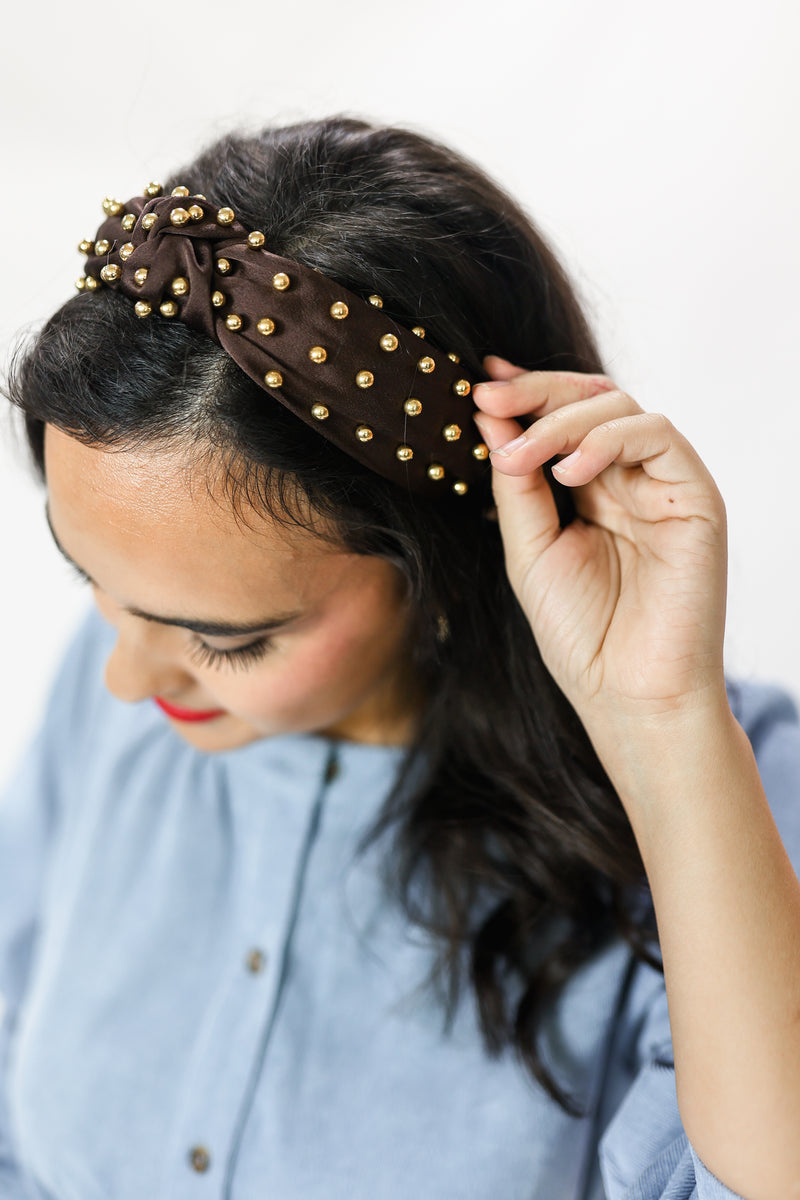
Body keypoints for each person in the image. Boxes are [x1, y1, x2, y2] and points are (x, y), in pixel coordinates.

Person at [1, 116, 798, 1200]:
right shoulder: (109, 711)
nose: (125, 679)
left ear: (440, 576)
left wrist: (658, 718)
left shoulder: (736, 789)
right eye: (90, 581)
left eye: (226, 639)